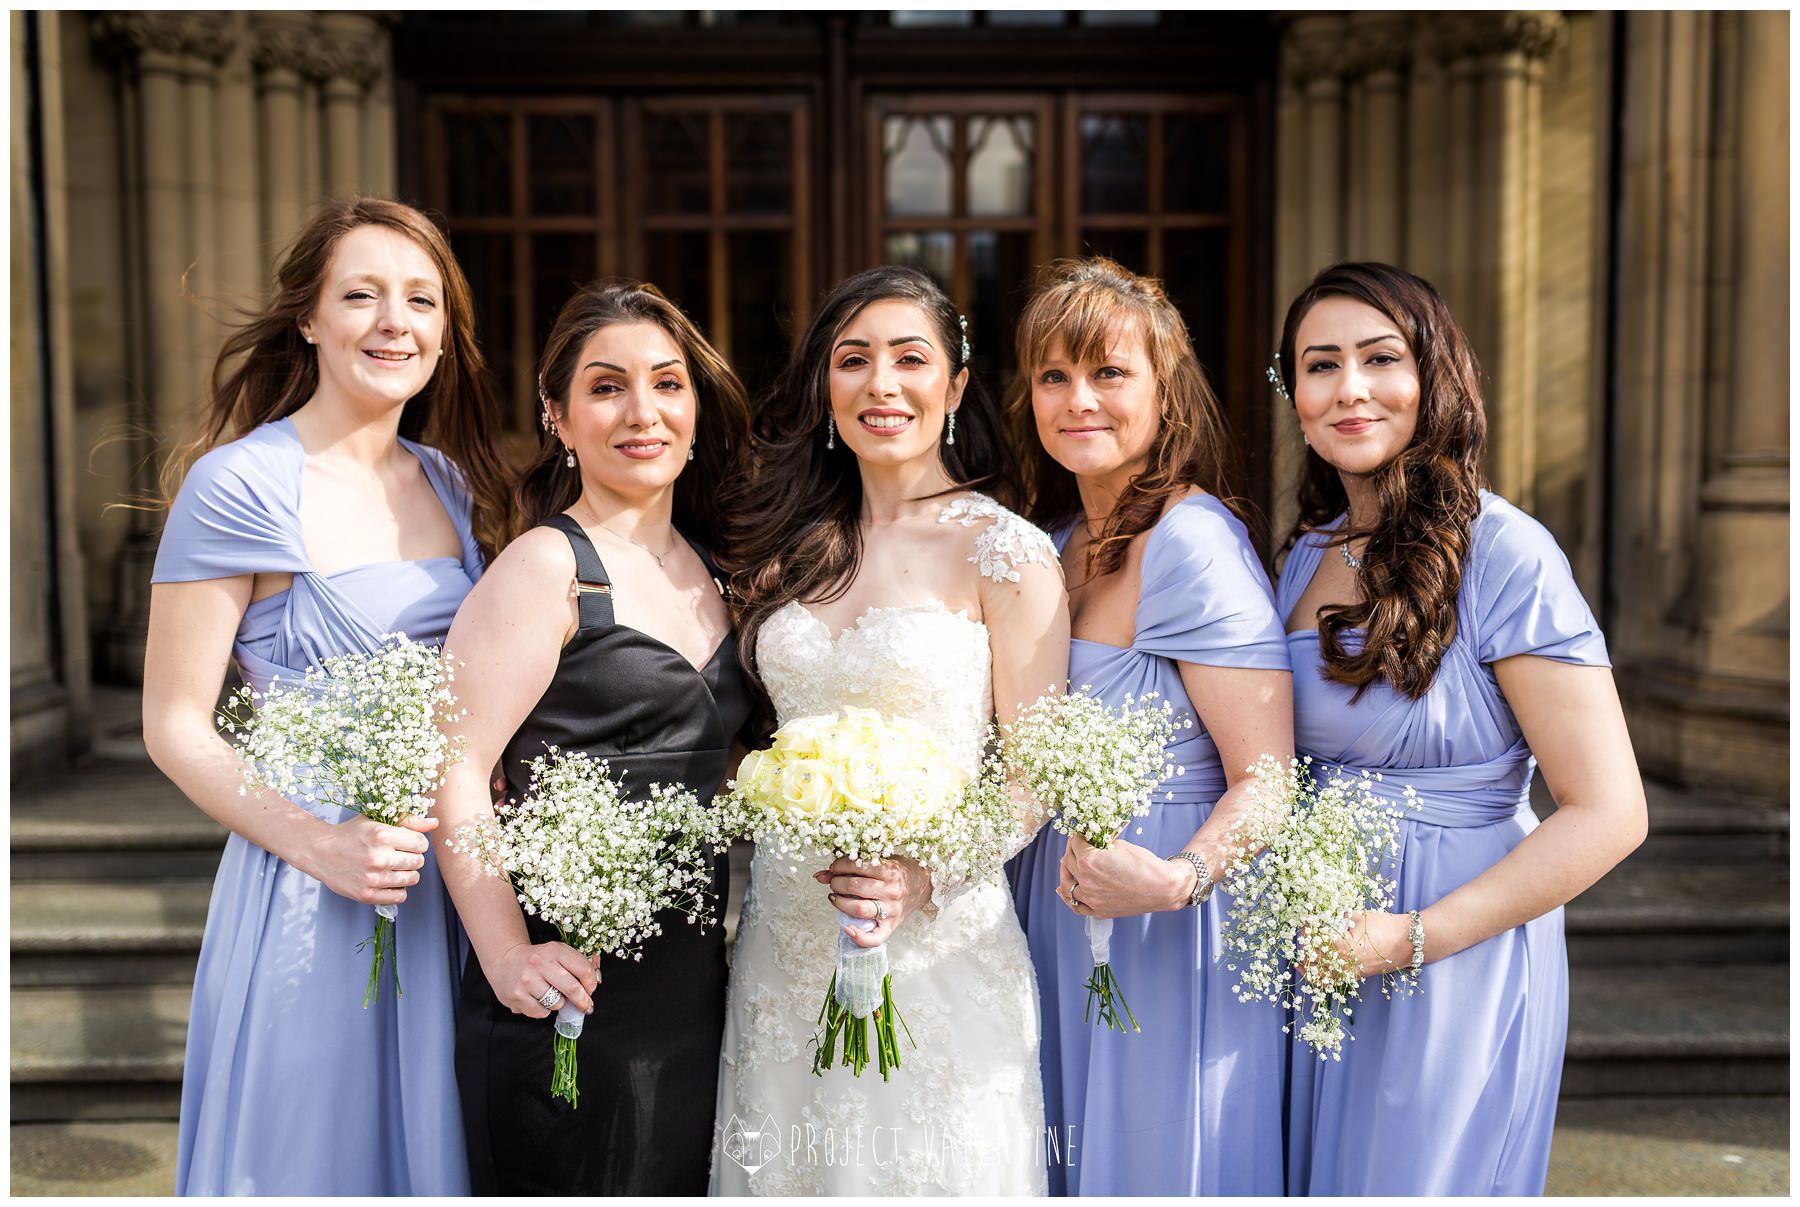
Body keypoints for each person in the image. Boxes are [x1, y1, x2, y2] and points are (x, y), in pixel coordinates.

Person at [143, 197, 511, 1195]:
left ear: (445, 330)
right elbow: (174, 723)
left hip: (437, 872)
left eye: (421, 299)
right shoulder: (239, 485)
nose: (395, 321)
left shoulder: (450, 481)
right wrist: (321, 843)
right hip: (306, 879)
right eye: (362, 294)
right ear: (308, 317)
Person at [1272, 262, 1646, 1196]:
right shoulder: (1302, 555)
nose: (1349, 388)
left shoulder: (1507, 553)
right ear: (1295, 397)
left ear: (1435, 374)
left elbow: (1610, 810)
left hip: (1452, 947)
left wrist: (1413, 934)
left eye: (1379, 358)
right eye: (1320, 365)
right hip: (1310, 939)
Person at [709, 266, 1070, 1195]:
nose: (881, 383)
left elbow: (1034, 776)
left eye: (910, 359)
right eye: (853, 360)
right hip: (787, 935)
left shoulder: (1006, 550)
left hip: (938, 937)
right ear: (825, 389)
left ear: (953, 387)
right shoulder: (785, 544)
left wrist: (923, 873)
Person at [431, 281, 754, 1195]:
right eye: (607, 386)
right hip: (564, 987)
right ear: (558, 417)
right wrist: (505, 953)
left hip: (693, 988)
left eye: (667, 383)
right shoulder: (543, 566)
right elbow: (454, 769)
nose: (642, 411)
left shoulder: (717, 571)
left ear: (695, 408)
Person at [1002, 257, 1294, 1195]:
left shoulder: (1192, 543)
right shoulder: (1053, 547)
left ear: (1167, 394)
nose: (1078, 398)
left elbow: (1268, 774)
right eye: (1054, 376)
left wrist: (1175, 879)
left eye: (1108, 373)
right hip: (1056, 898)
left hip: (1166, 920)